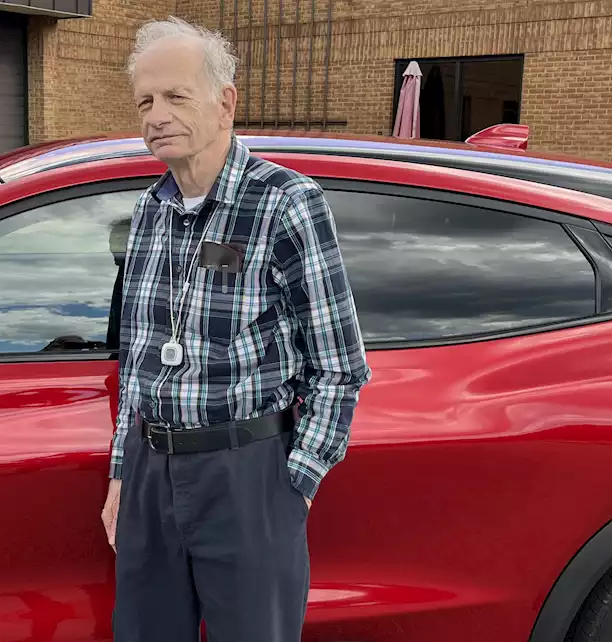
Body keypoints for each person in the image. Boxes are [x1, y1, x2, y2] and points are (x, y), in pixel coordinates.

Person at [100, 16, 371, 642]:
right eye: (145, 101)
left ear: (225, 103)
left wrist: (293, 487)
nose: (156, 115)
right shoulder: (148, 213)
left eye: (175, 96)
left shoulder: (285, 203)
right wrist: (121, 474)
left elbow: (338, 366)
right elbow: (138, 360)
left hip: (245, 470)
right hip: (150, 470)